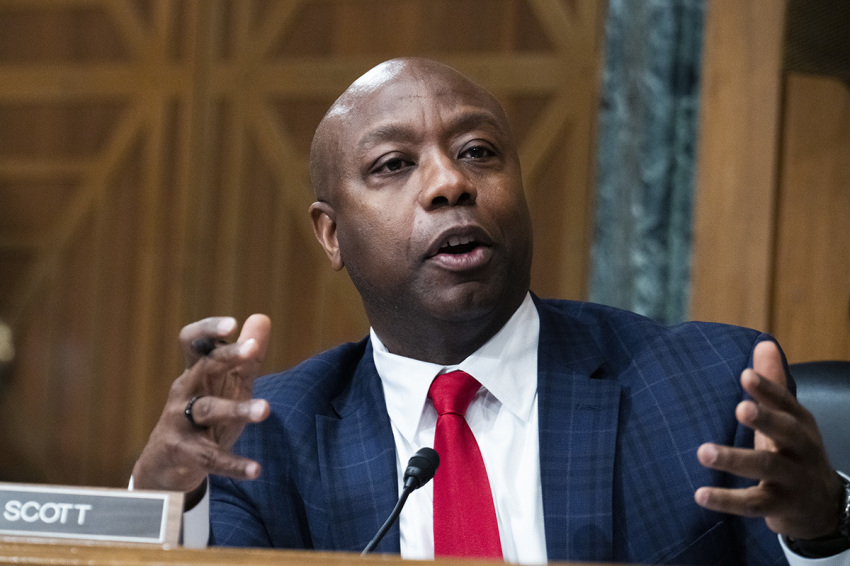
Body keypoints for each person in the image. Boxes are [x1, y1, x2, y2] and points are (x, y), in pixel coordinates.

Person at [131, 58, 850, 564]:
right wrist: (166, 502)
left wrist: (824, 533)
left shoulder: (708, 386)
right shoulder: (267, 438)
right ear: (331, 234)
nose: (449, 183)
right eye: (394, 164)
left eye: (478, 151)